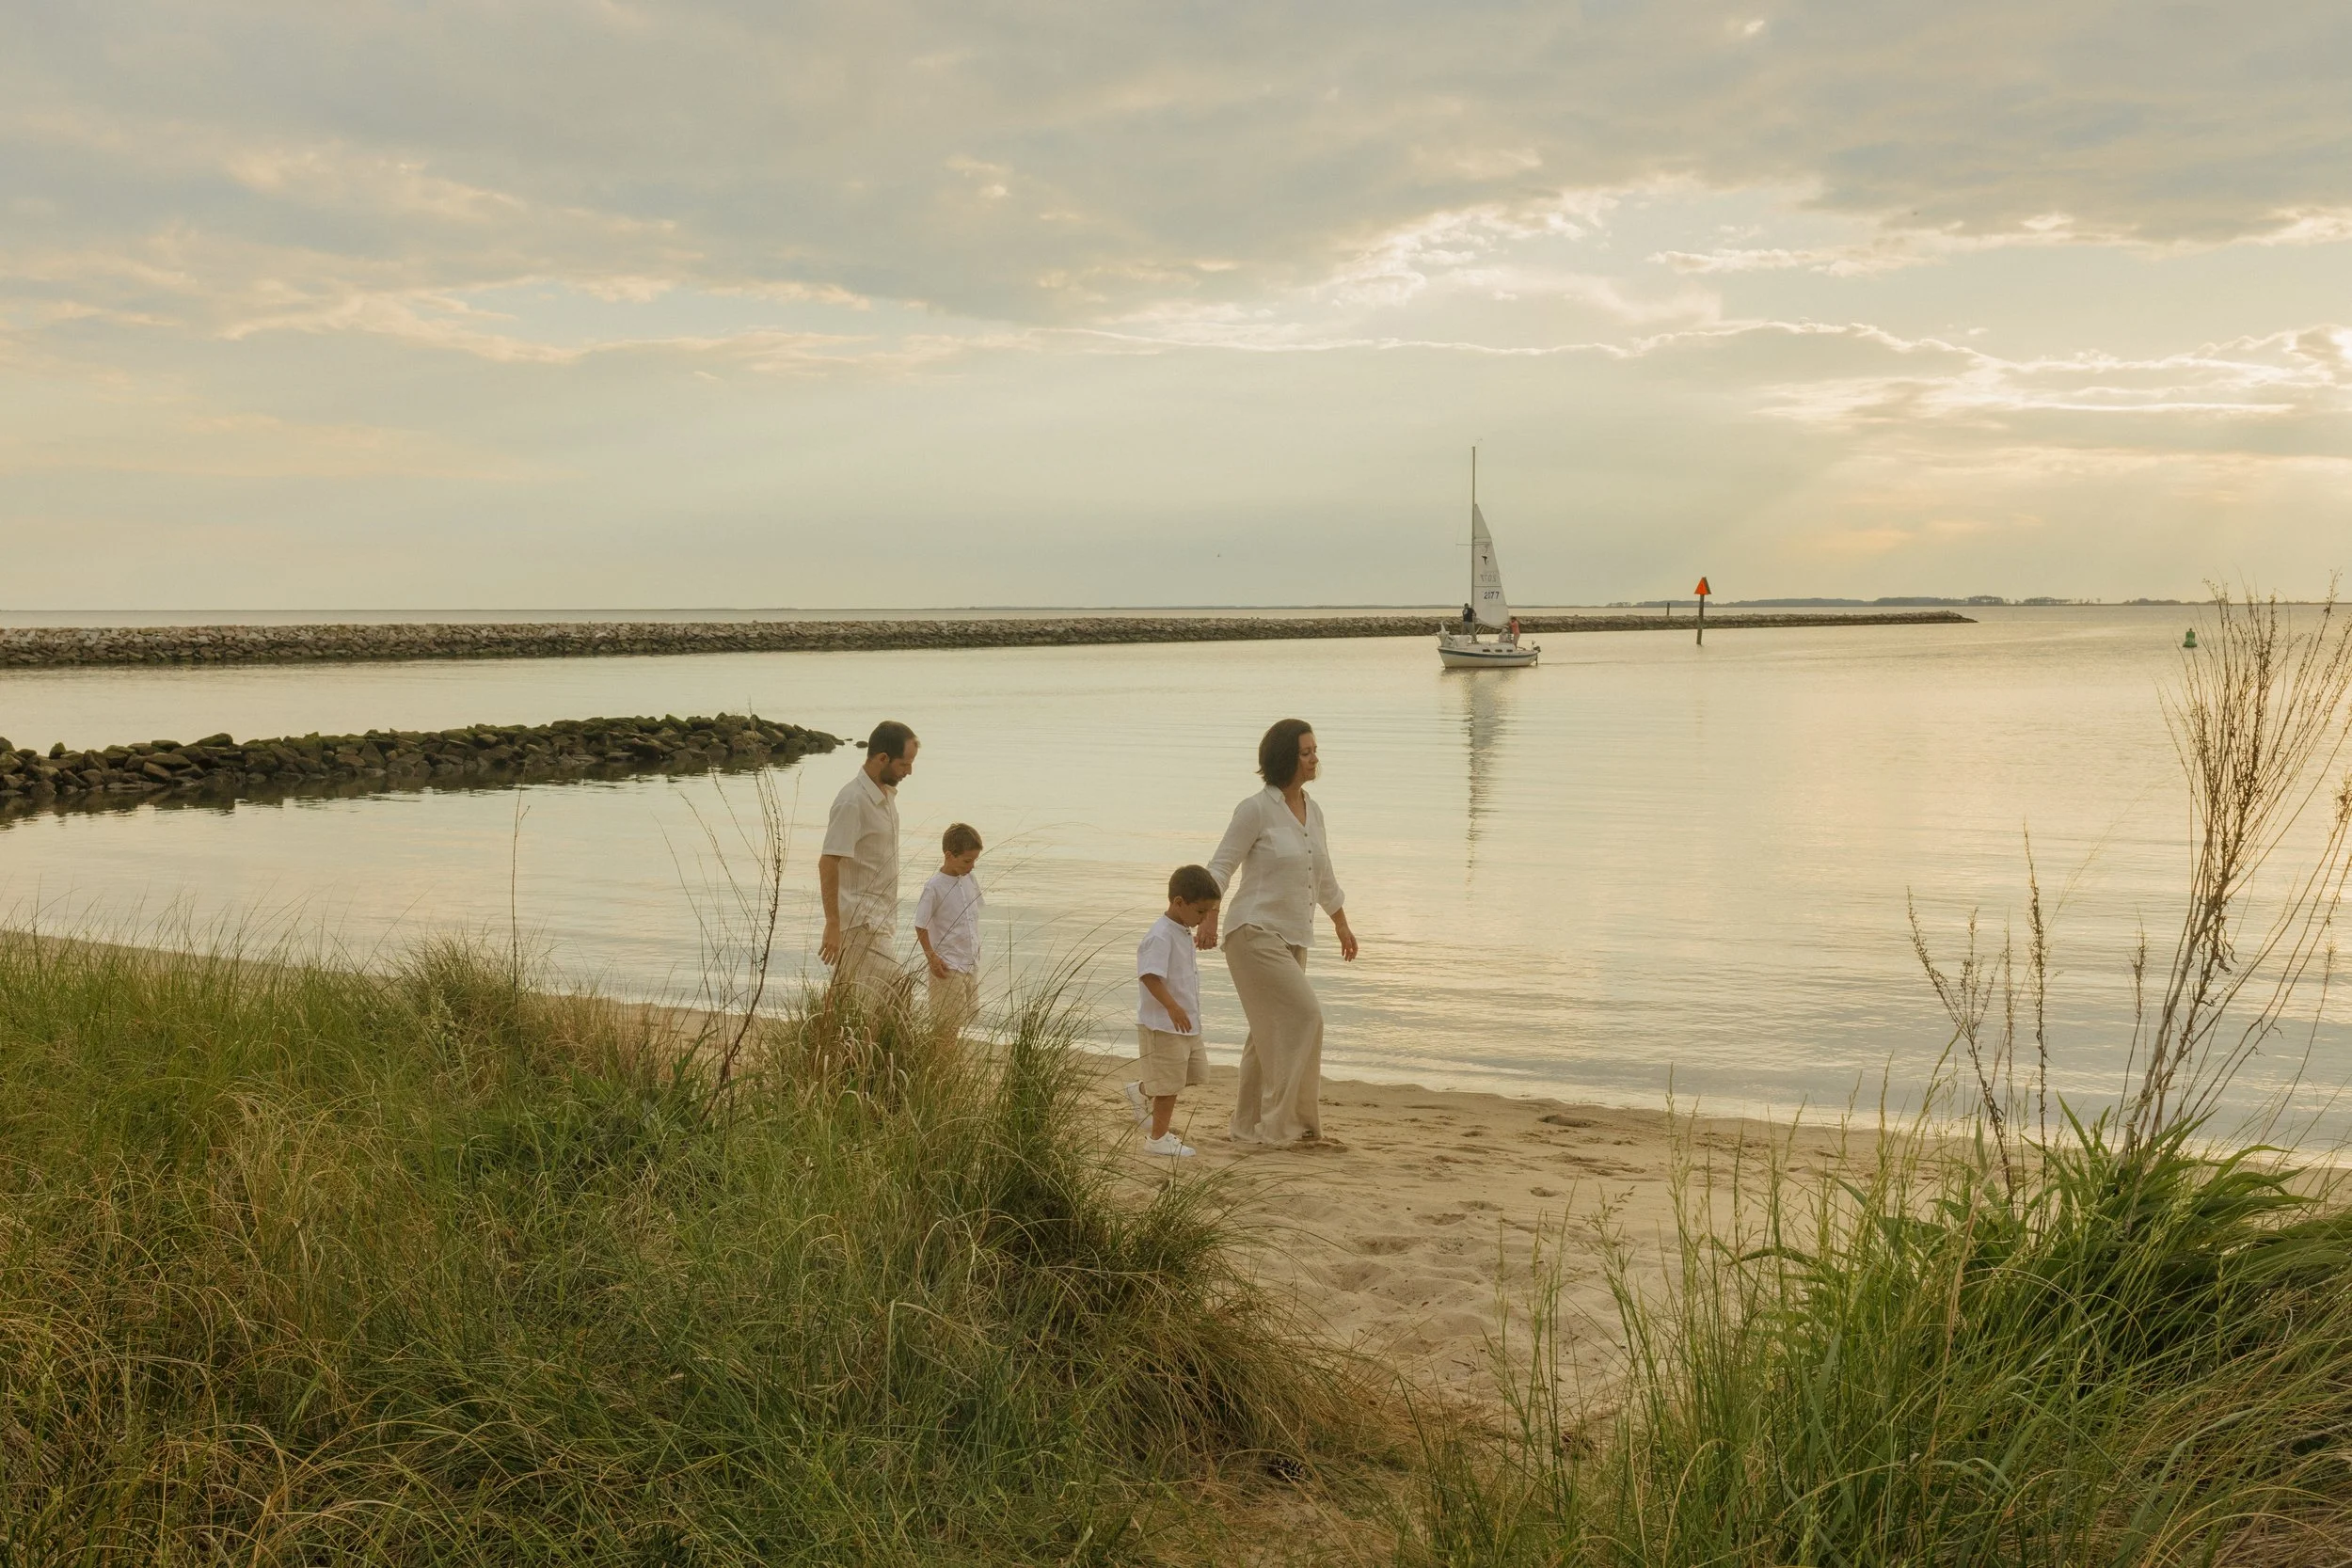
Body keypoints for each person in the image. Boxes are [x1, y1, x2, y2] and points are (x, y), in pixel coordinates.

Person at [1200, 719, 1359, 1148]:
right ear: (1287, 757)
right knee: (1305, 1017)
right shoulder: (1255, 809)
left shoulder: (1313, 810)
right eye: (1306, 752)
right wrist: (1209, 913)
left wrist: (1340, 921)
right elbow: (1221, 866)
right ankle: (1291, 1126)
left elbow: (1321, 874)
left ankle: (1248, 1128)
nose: (1314, 758)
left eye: (1314, 750)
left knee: (1264, 1034)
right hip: (1252, 933)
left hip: (1293, 936)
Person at [1123, 864, 1221, 1158]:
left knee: (1188, 1076)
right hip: (1164, 1025)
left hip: (1187, 1024)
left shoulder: (1181, 931)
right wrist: (1172, 1006)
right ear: (1179, 902)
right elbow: (1150, 976)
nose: (1204, 919)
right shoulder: (1160, 935)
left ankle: (1141, 1091)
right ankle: (1158, 1139)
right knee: (1167, 1087)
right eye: (1200, 912)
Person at [818, 721, 917, 995]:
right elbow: (828, 861)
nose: (909, 771)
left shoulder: (884, 797)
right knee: (899, 990)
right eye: (904, 764)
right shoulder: (853, 801)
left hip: (879, 922)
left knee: (859, 1006)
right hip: (860, 923)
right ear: (882, 758)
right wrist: (833, 924)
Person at [914, 822, 985, 1034]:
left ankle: (948, 1064)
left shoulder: (970, 879)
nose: (972, 866)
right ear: (949, 855)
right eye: (967, 860)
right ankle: (940, 1065)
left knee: (961, 1022)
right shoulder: (934, 887)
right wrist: (931, 956)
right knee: (945, 1027)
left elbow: (972, 918)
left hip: (969, 964)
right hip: (948, 966)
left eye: (974, 860)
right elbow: (920, 924)